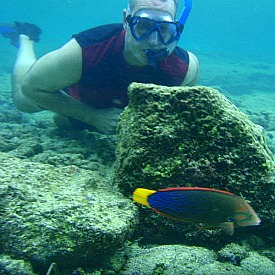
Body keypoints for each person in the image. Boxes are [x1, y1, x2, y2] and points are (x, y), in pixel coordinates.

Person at [1, 0, 199, 134]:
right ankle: (25, 38)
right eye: (143, 26)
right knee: (22, 101)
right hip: (77, 91)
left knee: (64, 123)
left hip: (110, 103)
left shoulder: (185, 70)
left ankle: (70, 117)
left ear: (176, 28)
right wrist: (91, 116)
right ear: (125, 21)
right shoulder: (86, 50)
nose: (153, 41)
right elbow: (31, 87)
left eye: (164, 29)